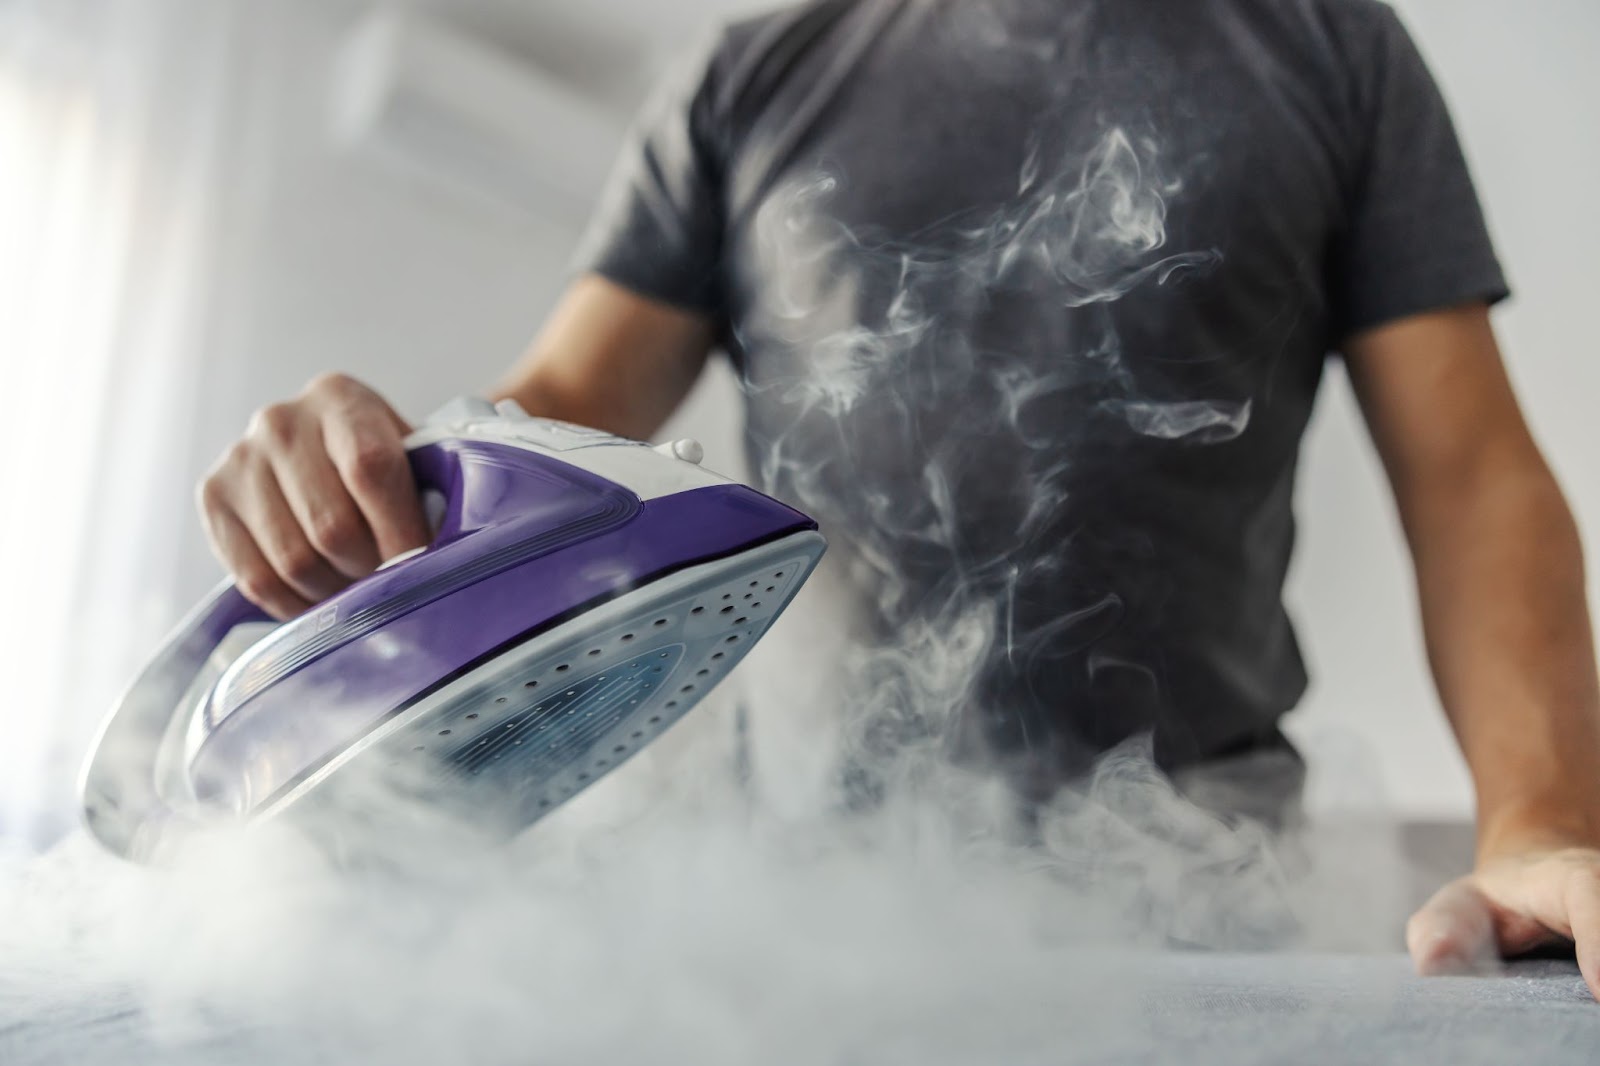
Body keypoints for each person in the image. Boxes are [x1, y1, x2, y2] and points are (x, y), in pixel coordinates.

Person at [196, 0, 1600, 994]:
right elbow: (559, 413)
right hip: (802, 924)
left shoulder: (1331, 47)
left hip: (1203, 906)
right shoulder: (749, 77)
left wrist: (1538, 826)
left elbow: (1473, 476)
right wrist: (384, 471)